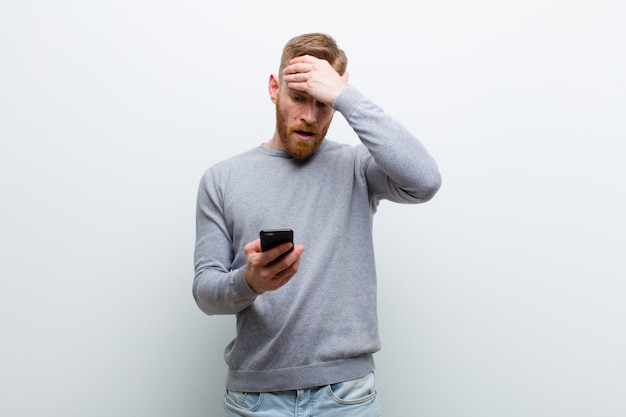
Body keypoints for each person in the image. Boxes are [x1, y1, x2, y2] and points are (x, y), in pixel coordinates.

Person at [193, 33, 442, 417]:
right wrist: (249, 282)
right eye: (298, 97)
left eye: (323, 103)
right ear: (275, 88)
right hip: (255, 399)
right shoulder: (222, 179)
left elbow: (425, 180)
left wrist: (347, 96)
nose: (309, 116)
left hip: (346, 397)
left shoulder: (357, 167)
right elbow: (205, 292)